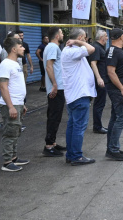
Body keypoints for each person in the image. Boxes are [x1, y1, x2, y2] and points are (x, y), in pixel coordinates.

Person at [61, 28, 96, 166]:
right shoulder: (73, 51)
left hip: (74, 95)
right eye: (85, 38)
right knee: (79, 127)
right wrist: (77, 41)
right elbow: (91, 49)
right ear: (81, 37)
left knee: (73, 126)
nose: (86, 41)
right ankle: (76, 155)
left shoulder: (69, 51)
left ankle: (71, 154)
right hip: (79, 95)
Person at [0, 37, 28, 172]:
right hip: (11, 104)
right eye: (21, 46)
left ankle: (14, 157)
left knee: (15, 131)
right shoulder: (6, 64)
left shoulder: (16, 63)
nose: (24, 48)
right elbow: (3, 87)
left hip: (18, 103)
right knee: (10, 132)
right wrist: (10, 106)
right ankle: (7, 162)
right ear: (14, 49)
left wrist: (22, 104)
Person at [105, 29, 123, 161]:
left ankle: (111, 148)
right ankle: (113, 149)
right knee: (122, 118)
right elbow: (111, 72)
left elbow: (116, 67)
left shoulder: (114, 50)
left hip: (117, 88)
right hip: (118, 90)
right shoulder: (114, 51)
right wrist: (122, 89)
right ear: (121, 36)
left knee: (114, 118)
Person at [43, 27, 67, 157]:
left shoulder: (52, 47)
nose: (63, 35)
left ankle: (52, 143)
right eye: (62, 33)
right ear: (57, 36)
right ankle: (49, 146)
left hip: (57, 87)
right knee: (54, 116)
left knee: (55, 116)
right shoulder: (53, 47)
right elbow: (49, 66)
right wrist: (54, 84)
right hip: (56, 88)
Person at [90, 30, 109, 134]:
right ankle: (97, 126)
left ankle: (98, 125)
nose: (107, 38)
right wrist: (99, 78)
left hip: (103, 79)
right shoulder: (96, 47)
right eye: (106, 36)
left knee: (101, 103)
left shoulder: (100, 47)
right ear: (102, 37)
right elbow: (93, 63)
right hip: (100, 80)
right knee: (99, 103)